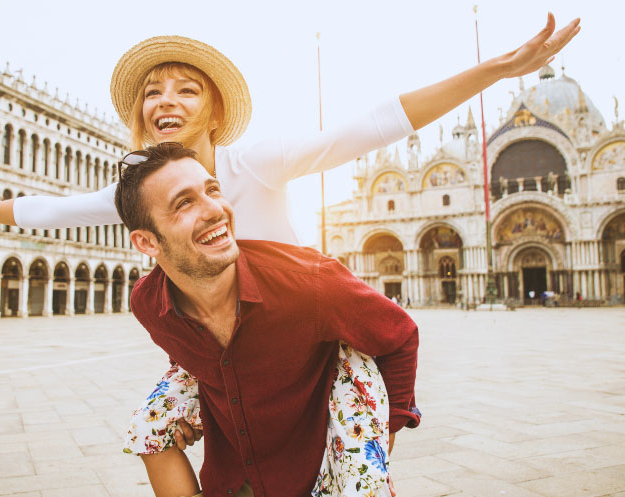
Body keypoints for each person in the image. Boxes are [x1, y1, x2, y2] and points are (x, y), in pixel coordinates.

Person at [0, 16, 579, 492]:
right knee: (151, 423)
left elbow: (373, 124)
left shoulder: (253, 161)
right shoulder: (139, 192)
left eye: (186, 88)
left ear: (215, 111)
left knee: (351, 476)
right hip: (222, 341)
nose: (165, 99)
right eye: (153, 91)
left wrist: (494, 71)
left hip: (303, 326)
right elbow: (51, 210)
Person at [114, 143, 419, 496]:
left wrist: (386, 429)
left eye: (212, 190)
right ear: (147, 242)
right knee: (146, 427)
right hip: (229, 481)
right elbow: (183, 351)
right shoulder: (149, 304)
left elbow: (400, 334)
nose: (216, 210)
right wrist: (186, 409)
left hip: (313, 476)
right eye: (184, 202)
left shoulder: (309, 282)